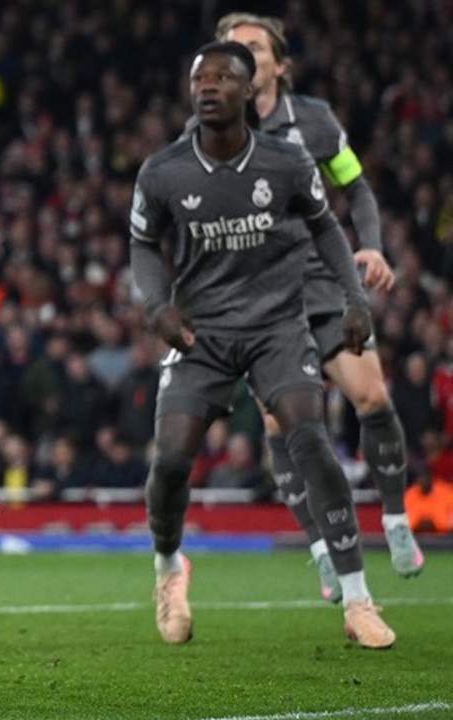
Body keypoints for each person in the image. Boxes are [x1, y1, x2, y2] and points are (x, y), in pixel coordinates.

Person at [130, 41, 393, 649]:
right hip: (200, 332)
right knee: (170, 460)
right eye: (200, 77)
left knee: (311, 439)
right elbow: (143, 244)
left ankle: (358, 599)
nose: (209, 86)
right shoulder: (164, 171)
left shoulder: (287, 162)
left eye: (223, 77)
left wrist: (354, 300)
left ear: (250, 92)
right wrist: (157, 306)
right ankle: (169, 568)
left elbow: (327, 229)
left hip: (278, 327)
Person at [215, 12, 423, 593]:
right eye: (232, 49)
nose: (241, 56)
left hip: (323, 283)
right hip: (258, 298)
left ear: (279, 64)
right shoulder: (209, 129)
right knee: (283, 424)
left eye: (254, 47)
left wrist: (372, 245)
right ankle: (321, 547)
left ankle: (395, 518)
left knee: (372, 396)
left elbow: (355, 187)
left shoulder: (315, 120)